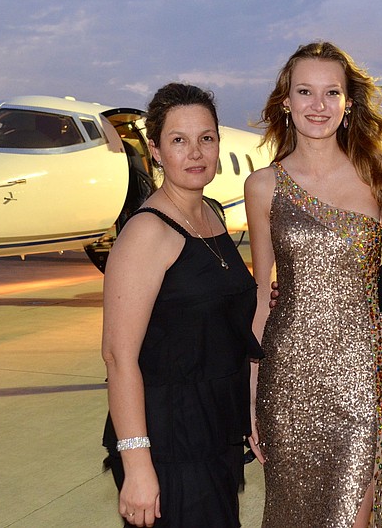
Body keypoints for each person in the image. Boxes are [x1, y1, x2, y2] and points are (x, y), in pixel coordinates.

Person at [244, 41, 382, 527]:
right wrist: (250, 391)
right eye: (305, 92)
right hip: (286, 377)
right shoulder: (263, 186)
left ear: (348, 101)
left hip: (359, 374)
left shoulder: (378, 177)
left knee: (351, 516)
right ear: (286, 101)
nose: (318, 105)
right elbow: (261, 294)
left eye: (331, 92)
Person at [101, 83, 263, 527]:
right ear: (155, 150)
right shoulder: (147, 232)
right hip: (168, 441)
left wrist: (249, 410)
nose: (195, 152)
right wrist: (137, 467)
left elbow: (230, 335)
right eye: (178, 140)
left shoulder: (211, 214)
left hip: (216, 431)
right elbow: (118, 357)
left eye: (205, 138)